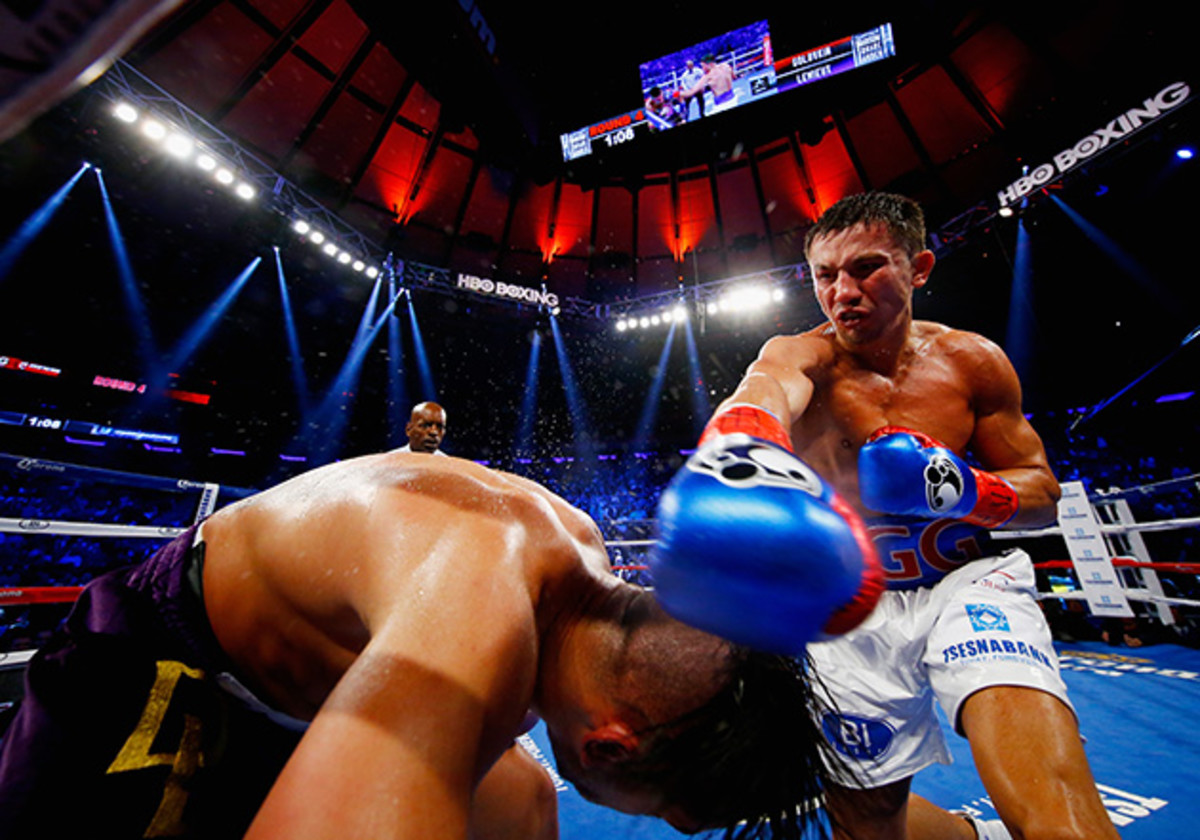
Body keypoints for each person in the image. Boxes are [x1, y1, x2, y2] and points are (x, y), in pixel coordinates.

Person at [0, 452, 852, 839]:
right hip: (160, 670)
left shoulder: (574, 559)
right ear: (610, 745)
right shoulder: (476, 615)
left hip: (300, 696)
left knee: (520, 802)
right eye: (655, 811)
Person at [652, 192, 1119, 839]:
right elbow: (765, 388)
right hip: (852, 612)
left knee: (1051, 809)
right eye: (825, 275)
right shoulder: (801, 356)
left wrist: (959, 491)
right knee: (869, 826)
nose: (843, 292)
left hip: (968, 586)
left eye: (866, 268)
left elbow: (1042, 494)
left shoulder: (972, 362)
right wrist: (740, 450)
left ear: (918, 268)